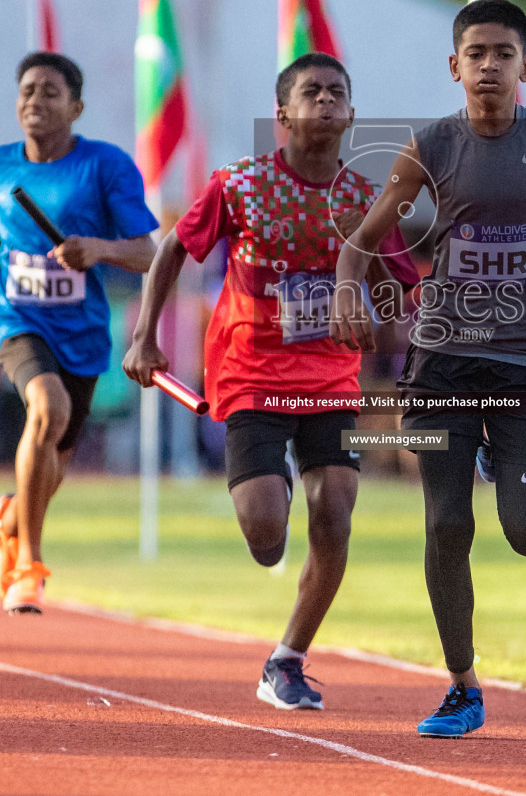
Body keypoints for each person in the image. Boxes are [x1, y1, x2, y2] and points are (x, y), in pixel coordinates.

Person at [330, 0, 526, 737]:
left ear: (525, 67)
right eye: (476, 54)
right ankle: (462, 686)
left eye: (503, 54)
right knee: (446, 525)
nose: (489, 66)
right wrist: (349, 286)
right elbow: (360, 240)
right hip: (441, 365)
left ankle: (501, 460)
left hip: (522, 369)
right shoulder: (429, 146)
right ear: (455, 67)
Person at [124, 53, 419, 710]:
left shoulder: (366, 198)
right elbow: (174, 247)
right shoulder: (240, 184)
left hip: (329, 378)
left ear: (350, 115)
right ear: (282, 113)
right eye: (310, 90)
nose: (325, 98)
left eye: (337, 91)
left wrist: (389, 321)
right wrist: (145, 336)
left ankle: (287, 659)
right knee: (265, 534)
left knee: (336, 513)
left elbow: (402, 287)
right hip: (250, 373)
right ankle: (271, 496)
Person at [0, 52, 157, 614]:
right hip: (15, 316)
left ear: (76, 108)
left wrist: (97, 248)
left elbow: (149, 252)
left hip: (82, 331)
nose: (35, 100)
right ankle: (29, 564)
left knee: (53, 462)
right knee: (45, 410)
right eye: (27, 89)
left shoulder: (105, 166)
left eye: (51, 92)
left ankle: (10, 517)